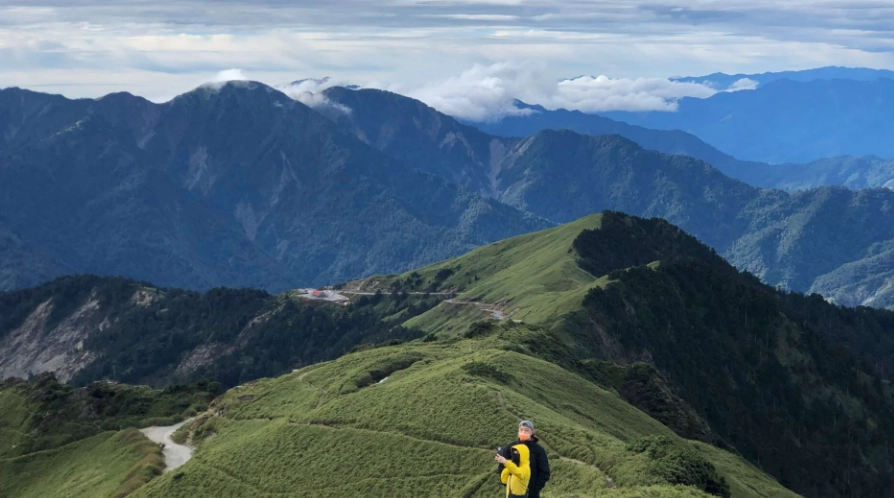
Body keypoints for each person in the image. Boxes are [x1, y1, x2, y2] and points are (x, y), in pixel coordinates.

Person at [496, 420, 551, 498]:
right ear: (518, 431)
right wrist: (508, 484)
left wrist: (535, 489)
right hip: (513, 494)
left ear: (532, 432)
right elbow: (501, 467)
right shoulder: (510, 447)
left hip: (532, 494)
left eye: (526, 430)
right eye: (521, 430)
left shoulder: (538, 450)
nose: (523, 432)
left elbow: (545, 472)